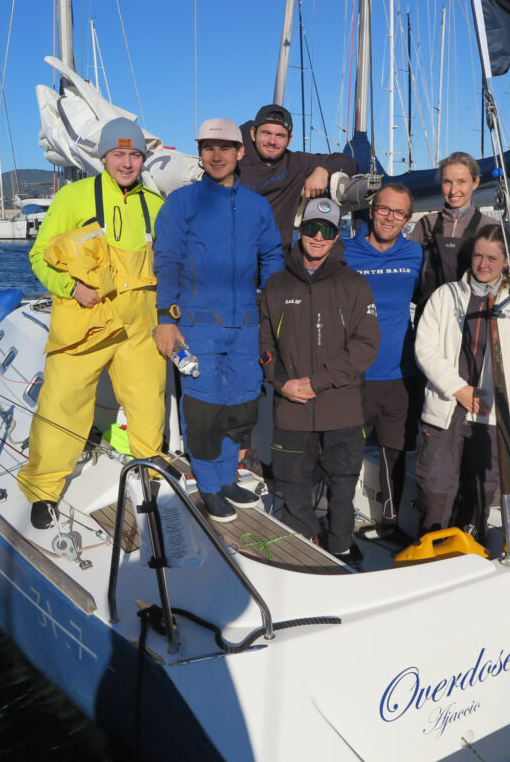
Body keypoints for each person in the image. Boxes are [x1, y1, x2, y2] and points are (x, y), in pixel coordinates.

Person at [18, 118, 166, 529]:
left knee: (148, 401)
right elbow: (39, 257)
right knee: (62, 403)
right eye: (118, 154)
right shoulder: (73, 197)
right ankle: (44, 490)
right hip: (85, 321)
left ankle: (149, 470)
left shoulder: (156, 206)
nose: (127, 163)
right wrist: (71, 287)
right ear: (103, 157)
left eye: (134, 154)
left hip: (139, 327)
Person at [153, 118, 283, 522]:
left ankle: (227, 478)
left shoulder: (256, 206)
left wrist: (272, 304)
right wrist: (166, 318)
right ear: (200, 153)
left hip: (246, 326)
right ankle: (208, 485)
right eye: (208, 147)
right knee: (204, 410)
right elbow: (167, 262)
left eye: (225, 147)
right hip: (198, 327)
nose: (217, 155)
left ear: (240, 152)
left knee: (240, 406)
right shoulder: (182, 203)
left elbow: (272, 255)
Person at [259, 197, 380, 564]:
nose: (318, 237)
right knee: (292, 481)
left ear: (336, 236)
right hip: (292, 407)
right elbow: (264, 345)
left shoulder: (354, 284)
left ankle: (341, 545)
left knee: (342, 483)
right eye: (312, 228)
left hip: (342, 407)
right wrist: (281, 383)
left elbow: (365, 346)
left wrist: (318, 382)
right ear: (301, 231)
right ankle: (302, 543)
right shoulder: (276, 285)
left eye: (327, 231)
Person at [413, 223, 510, 539]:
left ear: (506, 261)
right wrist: (457, 388)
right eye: (477, 256)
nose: (483, 265)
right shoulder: (446, 296)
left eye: (492, 259)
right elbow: (425, 349)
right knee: (436, 487)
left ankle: (471, 543)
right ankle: (431, 548)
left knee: (482, 489)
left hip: (491, 412)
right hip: (448, 408)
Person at [343, 184, 423, 531]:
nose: (390, 218)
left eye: (399, 213)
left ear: (407, 219)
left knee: (395, 454)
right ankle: (339, 523)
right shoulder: (345, 252)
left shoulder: (415, 254)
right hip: (355, 377)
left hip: (400, 375)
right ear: (372, 210)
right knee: (345, 455)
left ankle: (390, 524)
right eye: (384, 209)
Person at [239, 104, 358, 251]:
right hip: (233, 255)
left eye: (280, 135)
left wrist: (322, 170)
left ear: (289, 140)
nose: (272, 141)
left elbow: (349, 162)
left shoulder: (296, 164)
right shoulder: (233, 161)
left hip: (275, 257)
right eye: (266, 133)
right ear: (253, 133)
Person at [410, 151, 499, 305]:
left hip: (470, 315)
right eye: (447, 182)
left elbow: (502, 277)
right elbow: (409, 270)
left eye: (461, 182)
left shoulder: (490, 227)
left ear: (475, 182)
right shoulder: (426, 223)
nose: (453, 190)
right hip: (428, 313)